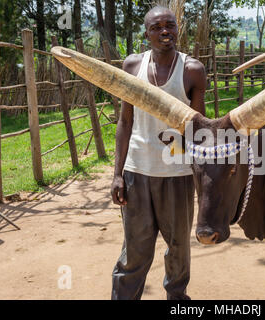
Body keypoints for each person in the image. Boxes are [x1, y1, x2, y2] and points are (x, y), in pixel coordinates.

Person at [110, 5, 206, 300]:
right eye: (156, 27)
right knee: (135, 250)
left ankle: (177, 300)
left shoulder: (192, 70)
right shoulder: (131, 66)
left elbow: (198, 129)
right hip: (137, 171)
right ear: (147, 34)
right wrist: (117, 175)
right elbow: (125, 122)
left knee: (178, 249)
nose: (165, 31)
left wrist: (195, 172)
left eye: (170, 25)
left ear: (178, 29)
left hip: (176, 174)